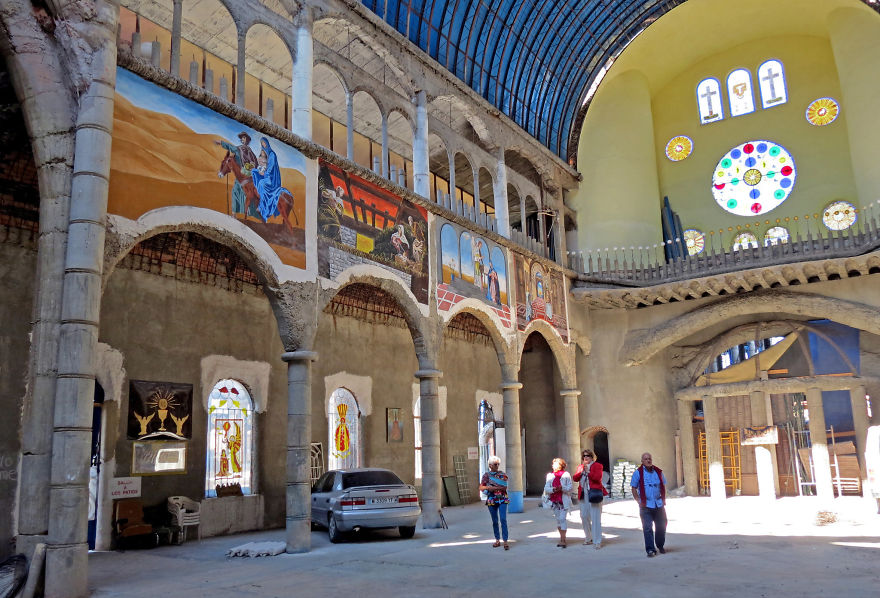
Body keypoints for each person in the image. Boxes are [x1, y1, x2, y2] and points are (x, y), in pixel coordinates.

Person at [631, 452, 668, 557]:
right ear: (642, 461)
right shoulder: (638, 473)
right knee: (647, 528)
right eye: (646, 459)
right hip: (645, 505)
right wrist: (638, 500)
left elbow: (663, 485)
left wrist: (663, 498)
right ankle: (651, 550)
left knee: (662, 525)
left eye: (649, 458)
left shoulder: (658, 472)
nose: (648, 460)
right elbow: (634, 488)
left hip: (658, 504)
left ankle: (660, 545)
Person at [573, 449, 607, 548]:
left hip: (594, 493)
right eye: (584, 456)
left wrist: (588, 471)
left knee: (595, 517)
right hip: (583, 494)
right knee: (583, 516)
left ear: (592, 457)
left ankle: (597, 541)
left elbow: (597, 478)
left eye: (588, 455)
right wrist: (581, 471)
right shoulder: (580, 467)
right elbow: (575, 478)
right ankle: (588, 538)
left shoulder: (598, 466)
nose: (585, 457)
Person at [479, 455, 510, 550]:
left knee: (503, 519)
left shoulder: (502, 474)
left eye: (498, 464)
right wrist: (489, 488)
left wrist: (493, 487)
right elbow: (481, 487)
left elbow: (504, 487)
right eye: (495, 464)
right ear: (490, 465)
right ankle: (497, 539)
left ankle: (505, 540)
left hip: (502, 499)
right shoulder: (486, 475)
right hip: (492, 500)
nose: (497, 466)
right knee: (495, 521)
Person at [543, 457, 573, 547]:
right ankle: (561, 538)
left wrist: (562, 488)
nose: (553, 465)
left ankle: (564, 539)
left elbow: (570, 488)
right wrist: (553, 489)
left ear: (560, 465)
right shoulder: (550, 475)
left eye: (555, 464)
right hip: (554, 501)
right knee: (558, 520)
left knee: (563, 519)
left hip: (563, 501)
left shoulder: (566, 474)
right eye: (553, 464)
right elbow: (546, 488)